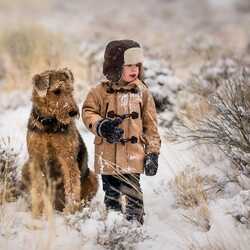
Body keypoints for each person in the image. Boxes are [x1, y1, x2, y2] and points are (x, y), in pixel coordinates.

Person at [82, 39, 161, 224]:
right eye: (128, 65)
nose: (134, 70)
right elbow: (87, 112)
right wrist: (101, 125)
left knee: (133, 192)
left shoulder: (142, 92)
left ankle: (134, 226)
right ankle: (114, 225)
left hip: (132, 155)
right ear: (115, 67)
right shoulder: (100, 92)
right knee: (112, 194)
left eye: (137, 65)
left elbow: (151, 127)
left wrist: (153, 153)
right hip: (108, 155)